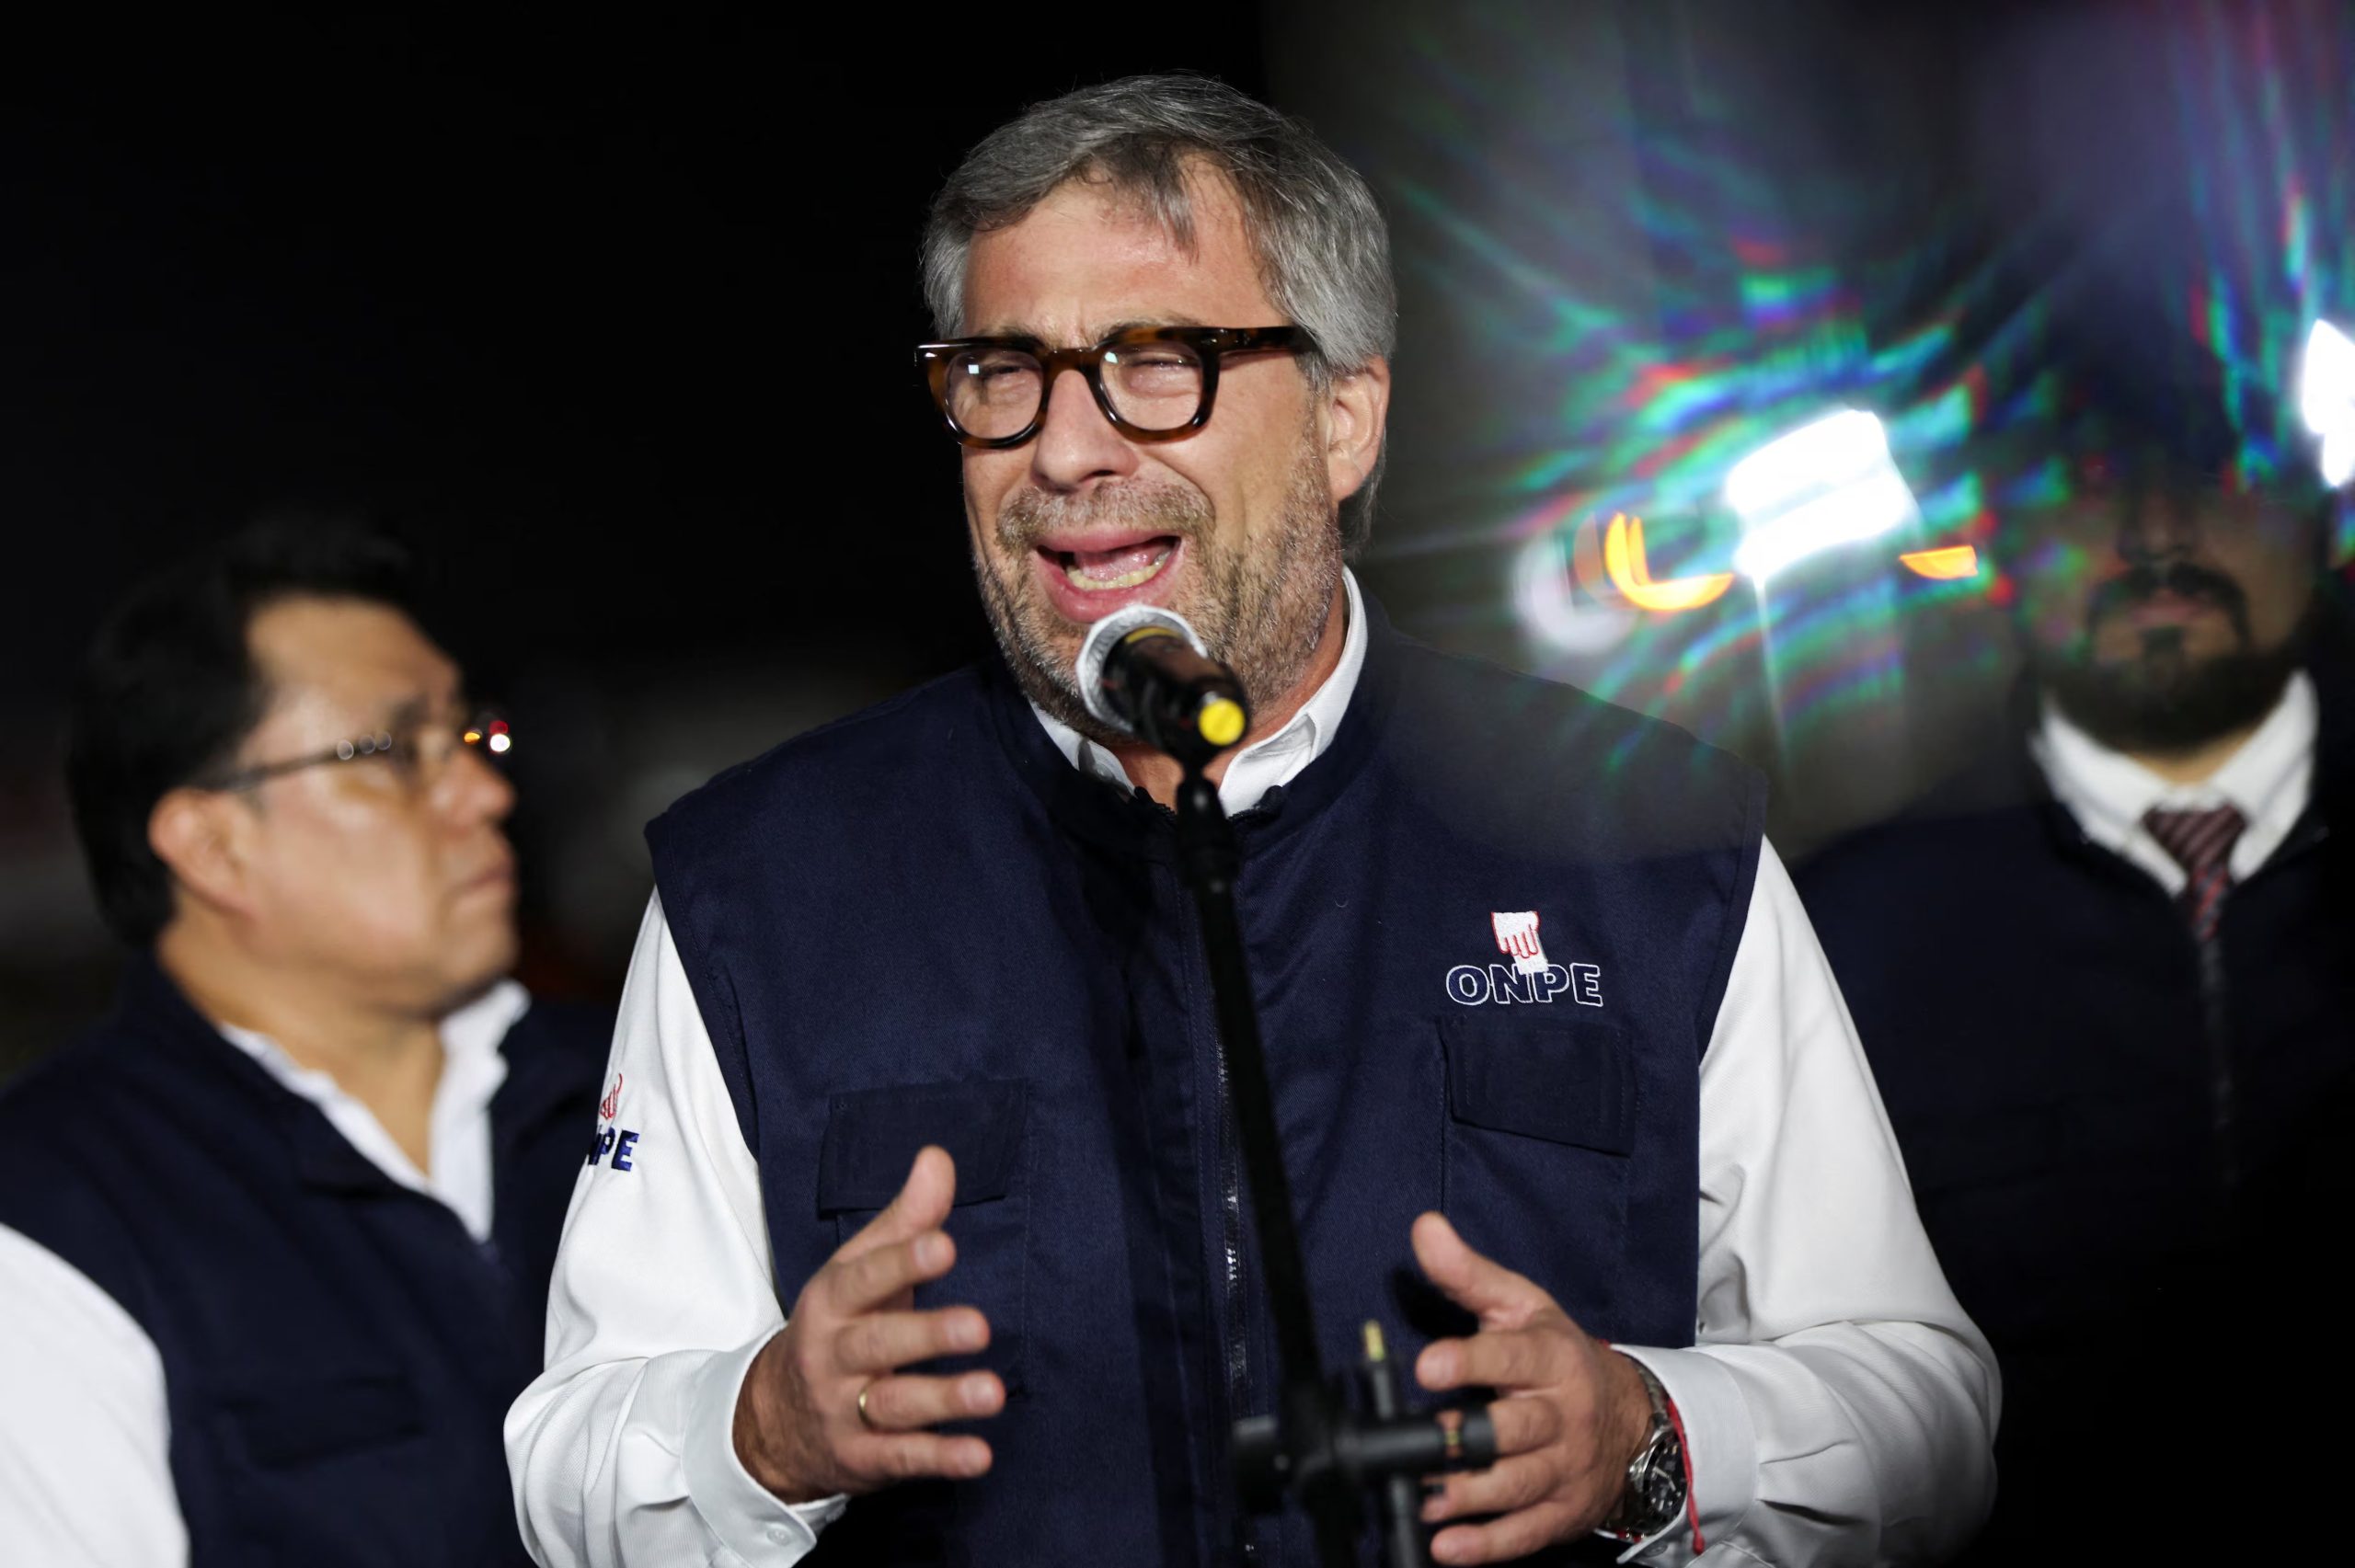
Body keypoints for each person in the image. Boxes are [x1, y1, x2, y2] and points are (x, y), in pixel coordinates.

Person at [508, 75, 1995, 1567]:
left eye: (1158, 364)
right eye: (1004, 372)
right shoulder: (766, 884)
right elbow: (571, 1458)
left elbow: (1922, 1407)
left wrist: (1651, 1440)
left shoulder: (1650, 838)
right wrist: (758, 1429)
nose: (1070, 451)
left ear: (1347, 419)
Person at [1798, 383, 2355, 1553]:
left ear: (2315, 512)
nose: (2157, 533)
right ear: (1994, 537)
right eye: (2085, 483)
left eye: (2215, 471)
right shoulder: (1842, 941)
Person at [0, 521, 609, 1568]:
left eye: (470, 736)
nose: (485, 793)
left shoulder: (643, 1080)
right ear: (213, 845)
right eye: (393, 751)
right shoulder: (54, 1219)